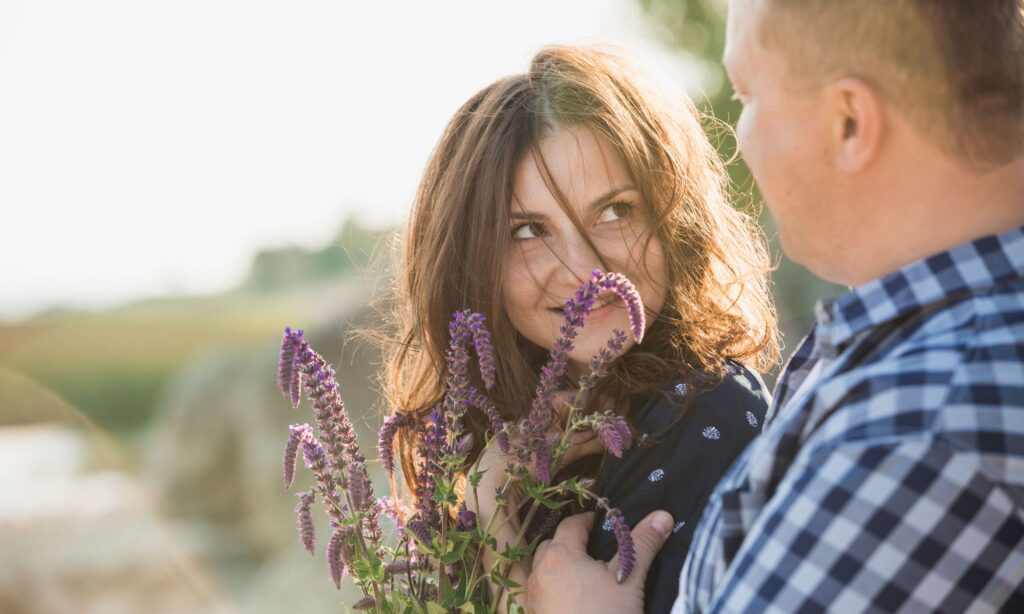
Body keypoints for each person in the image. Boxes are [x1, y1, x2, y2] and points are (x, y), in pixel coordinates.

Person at [526, 1, 1024, 612]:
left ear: (848, 122)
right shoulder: (910, 363)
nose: (740, 138)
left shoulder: (919, 425)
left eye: (748, 95)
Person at [376, 46, 780, 611]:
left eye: (616, 211)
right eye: (526, 231)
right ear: (472, 264)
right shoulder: (480, 454)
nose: (585, 269)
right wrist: (490, 510)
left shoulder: (704, 416)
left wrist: (504, 560)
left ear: (673, 221)